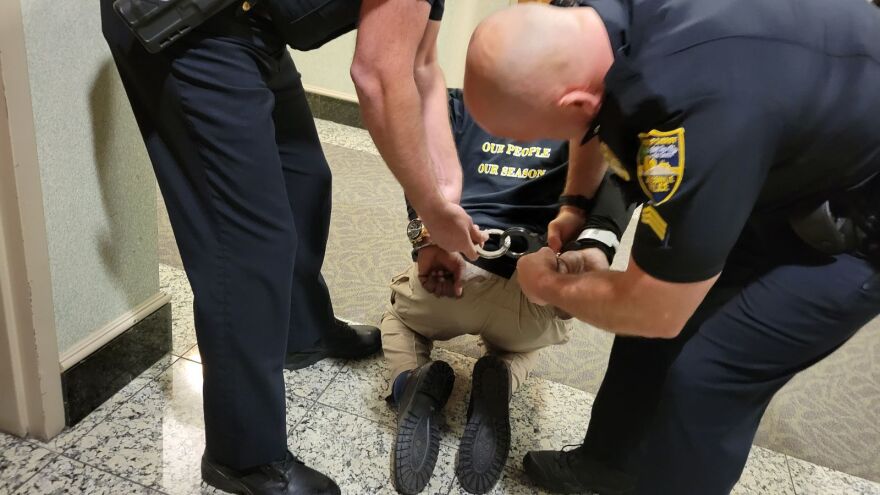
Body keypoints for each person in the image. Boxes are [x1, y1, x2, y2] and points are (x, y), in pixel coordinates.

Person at [462, 0, 880, 493]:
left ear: (573, 104)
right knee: (651, 310)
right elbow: (597, 114)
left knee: (706, 375)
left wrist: (548, 285)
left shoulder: (698, 113)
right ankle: (606, 468)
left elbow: (655, 310)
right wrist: (578, 207)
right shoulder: (592, 28)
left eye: (534, 132)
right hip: (782, 153)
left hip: (859, 222)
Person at [101, 0, 486, 493]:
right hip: (184, 23)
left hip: (253, 22)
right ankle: (241, 457)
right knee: (247, 243)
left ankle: (299, 333)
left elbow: (420, 68)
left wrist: (443, 206)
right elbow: (378, 78)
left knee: (303, 178)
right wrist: (431, 215)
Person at [383, 89, 631, 495]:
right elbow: (617, 176)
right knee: (522, 347)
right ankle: (500, 375)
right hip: (534, 289)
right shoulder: (583, 124)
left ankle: (409, 382)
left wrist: (426, 239)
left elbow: (415, 149)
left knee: (398, 315)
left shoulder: (456, 105)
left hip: (453, 275)